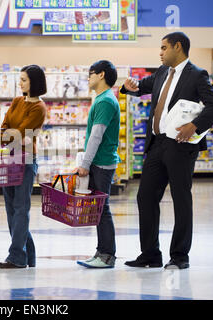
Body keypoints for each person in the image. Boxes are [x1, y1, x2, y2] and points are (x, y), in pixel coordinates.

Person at [121, 32, 213, 269]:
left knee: (181, 199)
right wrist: (129, 88)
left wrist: (195, 125)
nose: (160, 52)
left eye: (164, 47)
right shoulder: (161, 73)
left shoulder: (197, 75)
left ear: (178, 47)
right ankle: (150, 254)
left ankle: (179, 256)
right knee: (145, 196)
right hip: (157, 144)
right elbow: (141, 87)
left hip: (180, 146)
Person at [0, 65, 47, 269]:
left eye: (24, 80)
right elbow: (4, 128)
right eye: (20, 79)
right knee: (11, 208)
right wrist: (9, 134)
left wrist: (10, 134)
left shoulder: (39, 108)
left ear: (34, 82)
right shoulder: (17, 101)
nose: (20, 83)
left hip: (26, 160)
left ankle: (17, 256)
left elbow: (18, 134)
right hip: (9, 158)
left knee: (20, 208)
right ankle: (28, 255)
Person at [75, 60, 121, 269]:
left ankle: (107, 255)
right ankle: (101, 252)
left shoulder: (104, 101)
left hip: (101, 163)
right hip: (101, 161)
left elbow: (96, 136)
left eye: (91, 73)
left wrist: (85, 163)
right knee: (100, 210)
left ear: (101, 75)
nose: (88, 77)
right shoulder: (104, 99)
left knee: (102, 210)